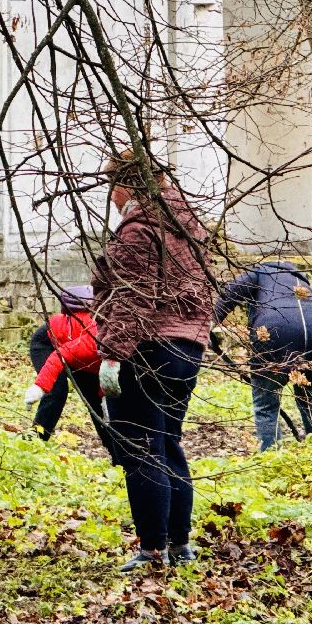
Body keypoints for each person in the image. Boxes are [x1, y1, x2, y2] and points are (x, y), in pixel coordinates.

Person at [93, 151, 214, 572]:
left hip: (144, 351)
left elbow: (130, 297)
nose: (111, 198)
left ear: (127, 186)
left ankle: (151, 549)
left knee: (141, 449)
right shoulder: (190, 228)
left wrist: (111, 355)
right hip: (187, 350)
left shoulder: (137, 232)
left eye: (113, 188)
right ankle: (180, 544)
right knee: (167, 442)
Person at [213, 261, 312, 451]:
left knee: (266, 403)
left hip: (276, 332)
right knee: (310, 396)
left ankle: (271, 458)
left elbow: (229, 293)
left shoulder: (258, 272)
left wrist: (205, 327)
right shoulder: (300, 278)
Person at [22, 285, 121, 463]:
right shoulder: (94, 341)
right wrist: (40, 387)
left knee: (98, 404)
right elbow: (58, 356)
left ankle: (119, 459)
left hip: (82, 355)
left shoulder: (124, 345)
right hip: (50, 345)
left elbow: (106, 382)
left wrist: (103, 395)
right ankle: (31, 445)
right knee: (56, 393)